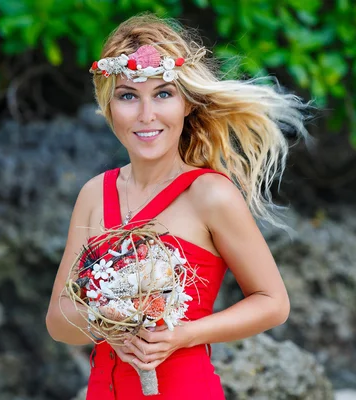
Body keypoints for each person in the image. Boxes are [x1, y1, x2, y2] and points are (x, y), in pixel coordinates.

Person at [45, 13, 308, 400]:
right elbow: (58, 320)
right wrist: (107, 322)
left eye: (163, 94)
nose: (146, 115)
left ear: (186, 103)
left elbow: (273, 303)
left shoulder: (210, 195)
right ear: (109, 106)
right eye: (128, 96)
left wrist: (182, 335)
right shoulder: (93, 194)